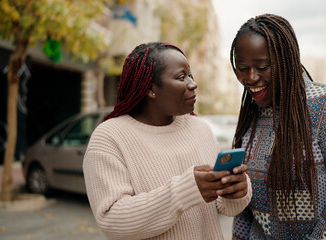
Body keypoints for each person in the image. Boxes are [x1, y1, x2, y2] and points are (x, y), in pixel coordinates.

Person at [83, 42, 252, 240]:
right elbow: (113, 222)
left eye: (190, 75)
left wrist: (236, 191)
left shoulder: (200, 128)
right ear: (150, 89)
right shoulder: (109, 137)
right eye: (181, 77)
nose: (192, 83)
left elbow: (226, 208)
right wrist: (184, 192)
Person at [229, 14, 326, 239]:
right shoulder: (251, 114)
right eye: (242, 68)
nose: (251, 78)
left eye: (262, 66)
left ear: (287, 60)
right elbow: (245, 211)